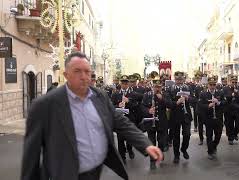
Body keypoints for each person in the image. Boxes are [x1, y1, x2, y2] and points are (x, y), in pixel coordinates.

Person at [21, 52, 163, 180]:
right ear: (66, 75)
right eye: (77, 71)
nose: (83, 77)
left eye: (87, 72)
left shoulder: (99, 96)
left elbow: (119, 121)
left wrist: (145, 144)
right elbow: (30, 156)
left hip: (95, 171)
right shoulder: (44, 105)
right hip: (66, 174)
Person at [141, 76, 171, 169]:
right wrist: (148, 111)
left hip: (161, 121)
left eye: (159, 87)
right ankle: (152, 161)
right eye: (155, 87)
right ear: (152, 86)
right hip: (150, 122)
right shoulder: (147, 95)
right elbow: (142, 107)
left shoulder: (165, 94)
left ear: (161, 86)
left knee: (161, 141)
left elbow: (170, 105)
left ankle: (160, 151)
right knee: (151, 141)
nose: (157, 89)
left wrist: (162, 99)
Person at [111, 75, 142, 163]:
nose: (124, 85)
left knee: (129, 137)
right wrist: (118, 106)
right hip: (119, 119)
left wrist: (129, 102)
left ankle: (130, 149)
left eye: (126, 83)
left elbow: (137, 105)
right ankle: (122, 156)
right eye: (123, 83)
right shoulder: (116, 94)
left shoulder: (133, 94)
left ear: (128, 84)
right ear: (120, 83)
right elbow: (111, 106)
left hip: (130, 118)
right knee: (120, 139)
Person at [167, 71, 195, 164]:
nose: (179, 81)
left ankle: (184, 149)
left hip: (186, 115)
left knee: (187, 134)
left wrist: (188, 98)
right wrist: (177, 102)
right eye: (177, 79)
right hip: (175, 115)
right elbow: (168, 103)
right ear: (175, 79)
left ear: (183, 79)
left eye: (181, 79)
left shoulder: (188, 87)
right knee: (176, 136)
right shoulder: (170, 89)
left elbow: (193, 99)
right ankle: (176, 155)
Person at [198, 77, 225, 159]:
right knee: (209, 135)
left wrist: (219, 102)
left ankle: (214, 146)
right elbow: (200, 105)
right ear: (208, 85)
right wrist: (208, 106)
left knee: (218, 135)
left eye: (214, 85)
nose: (212, 86)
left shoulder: (220, 92)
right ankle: (210, 152)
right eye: (211, 85)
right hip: (208, 118)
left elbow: (225, 102)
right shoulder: (203, 93)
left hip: (218, 117)